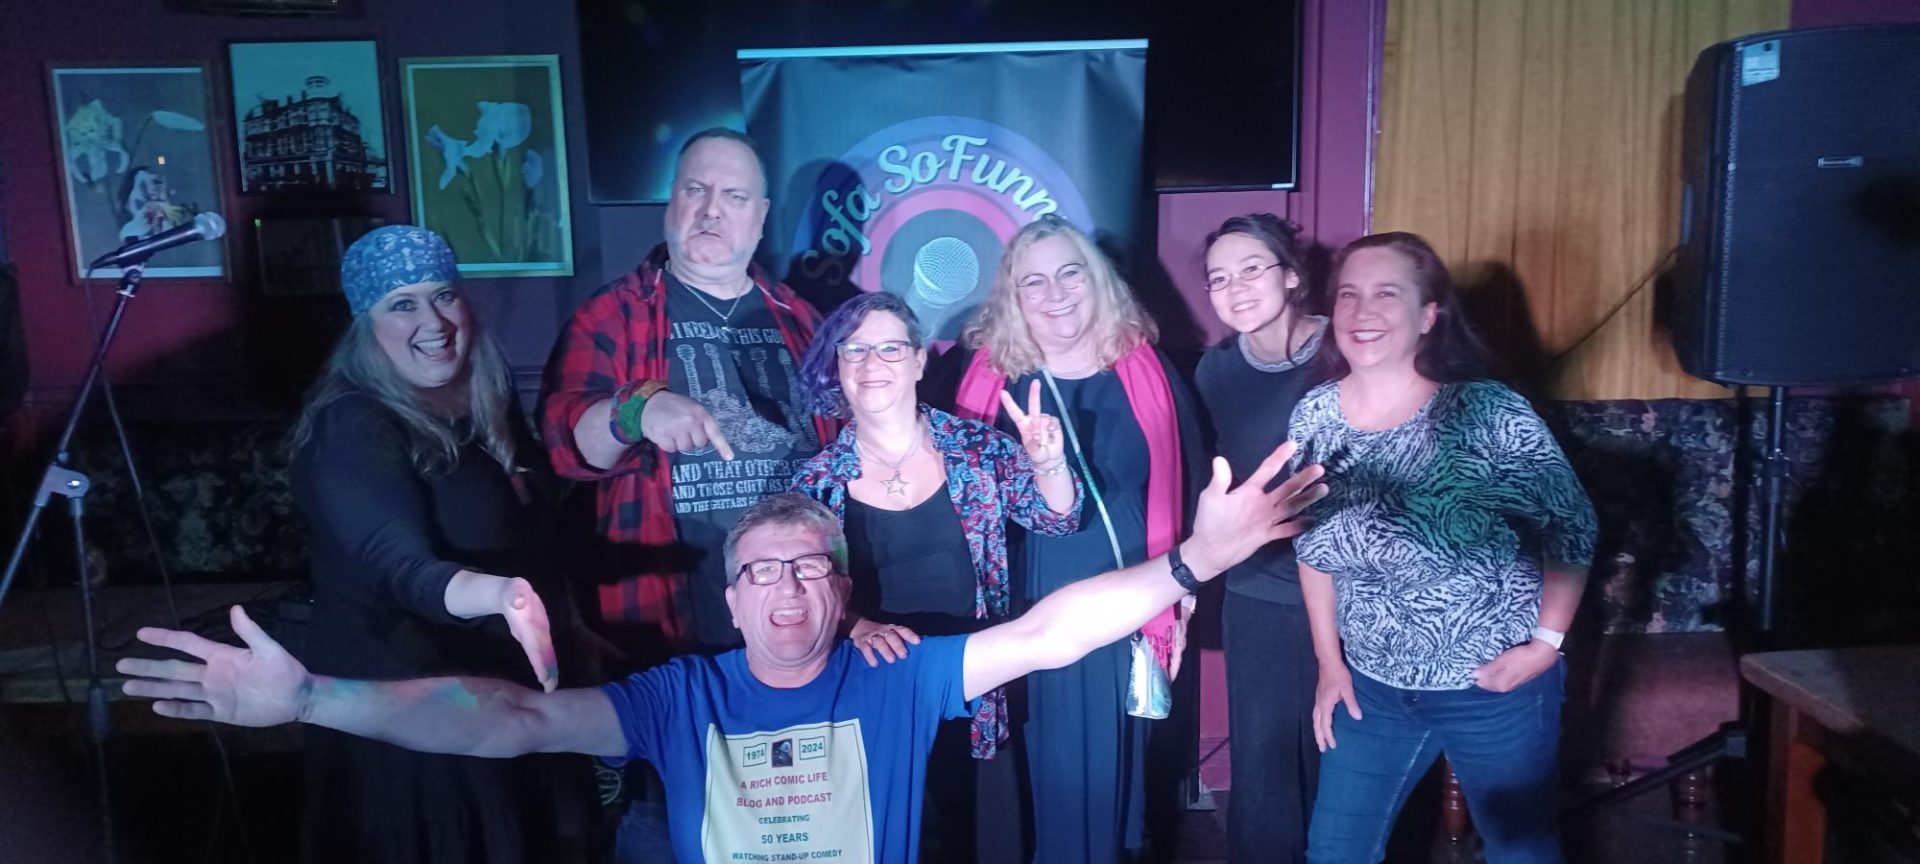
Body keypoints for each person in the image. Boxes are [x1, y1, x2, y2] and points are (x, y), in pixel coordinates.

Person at [119, 448, 1328, 864]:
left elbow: (1046, 632)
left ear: (841, 591)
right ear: (732, 603)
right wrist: (312, 697)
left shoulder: (897, 677)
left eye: (810, 568)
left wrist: (1194, 563)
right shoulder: (680, 695)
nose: (788, 588)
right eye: (762, 572)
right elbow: (508, 718)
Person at [1289, 232, 1596, 864]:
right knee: (1334, 852)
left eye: (1386, 294)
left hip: (1492, 681)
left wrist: (1545, 646)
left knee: (1520, 853)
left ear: (1429, 316)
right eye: (1348, 294)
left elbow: (1572, 524)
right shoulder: (1314, 416)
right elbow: (1312, 549)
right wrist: (1329, 662)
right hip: (1371, 687)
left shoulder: (1486, 410)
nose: (1362, 311)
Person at [284, 224, 581, 862]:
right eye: (403, 304)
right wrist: (500, 596)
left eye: (443, 296)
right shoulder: (352, 422)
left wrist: (572, 622)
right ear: (366, 325)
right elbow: (400, 566)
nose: (434, 322)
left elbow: (532, 535)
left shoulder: (482, 402)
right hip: (403, 706)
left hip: (490, 696)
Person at [932, 214, 1204, 861]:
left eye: (1070, 273)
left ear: (1096, 279)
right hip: (1037, 588)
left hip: (1136, 586)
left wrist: (1181, 591)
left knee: (1115, 756)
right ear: (1013, 296)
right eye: (1034, 282)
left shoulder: (1147, 367)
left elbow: (1188, 478)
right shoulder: (983, 375)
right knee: (1050, 754)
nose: (1055, 293)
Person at [787, 291, 1079, 859]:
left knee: (974, 835)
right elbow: (803, 592)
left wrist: (1048, 462)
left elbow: (1058, 519)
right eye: (855, 350)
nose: (872, 364)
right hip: (873, 687)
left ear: (920, 361)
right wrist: (858, 626)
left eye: (890, 349)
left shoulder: (977, 449)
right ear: (838, 365)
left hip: (975, 676)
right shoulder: (816, 481)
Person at [538, 127, 833, 654]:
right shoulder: (614, 314)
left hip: (801, 611)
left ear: (761, 216)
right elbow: (564, 445)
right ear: (671, 201)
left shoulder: (804, 320)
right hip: (671, 613)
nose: (711, 210)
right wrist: (637, 408)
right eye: (696, 190)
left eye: (734, 196)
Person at [1191, 213, 1328, 863]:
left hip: (1354, 588)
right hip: (1259, 589)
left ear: (1292, 275)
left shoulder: (1346, 349)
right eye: (1219, 278)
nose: (1236, 288)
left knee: (1343, 754)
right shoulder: (1215, 370)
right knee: (1264, 761)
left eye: (1252, 269)